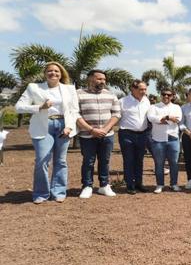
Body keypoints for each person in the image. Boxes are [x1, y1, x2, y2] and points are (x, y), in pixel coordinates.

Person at [15, 62, 79, 204]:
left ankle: (58, 192)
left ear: (61, 74)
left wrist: (69, 127)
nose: (53, 73)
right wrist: (40, 107)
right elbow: (18, 107)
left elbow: (74, 111)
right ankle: (41, 193)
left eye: (56, 71)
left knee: (61, 161)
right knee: (42, 160)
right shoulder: (34, 87)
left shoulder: (69, 89)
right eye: (50, 71)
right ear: (45, 73)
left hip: (63, 126)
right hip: (43, 126)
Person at [76, 69, 121, 199]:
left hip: (107, 135)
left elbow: (116, 114)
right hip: (87, 135)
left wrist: (105, 129)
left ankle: (104, 185)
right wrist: (91, 130)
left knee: (105, 161)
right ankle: (87, 186)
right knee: (88, 162)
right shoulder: (78, 94)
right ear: (90, 79)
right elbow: (75, 114)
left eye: (104, 79)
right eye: (99, 79)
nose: (102, 81)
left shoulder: (111, 95)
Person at [147, 88, 182, 193]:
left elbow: (177, 120)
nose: (166, 96)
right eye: (164, 94)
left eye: (169, 95)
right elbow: (151, 119)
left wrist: (161, 120)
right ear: (161, 95)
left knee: (174, 163)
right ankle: (159, 184)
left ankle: (174, 184)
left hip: (173, 139)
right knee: (159, 163)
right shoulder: (153, 107)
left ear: (173, 96)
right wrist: (168, 117)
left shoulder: (176, 107)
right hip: (158, 139)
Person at [118, 79, 150, 194]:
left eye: (145, 89)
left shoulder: (146, 101)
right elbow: (116, 117)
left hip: (142, 135)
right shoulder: (122, 101)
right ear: (133, 88)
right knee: (129, 160)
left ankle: (138, 183)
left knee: (139, 160)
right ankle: (130, 185)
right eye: (141, 89)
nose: (143, 91)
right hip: (127, 135)